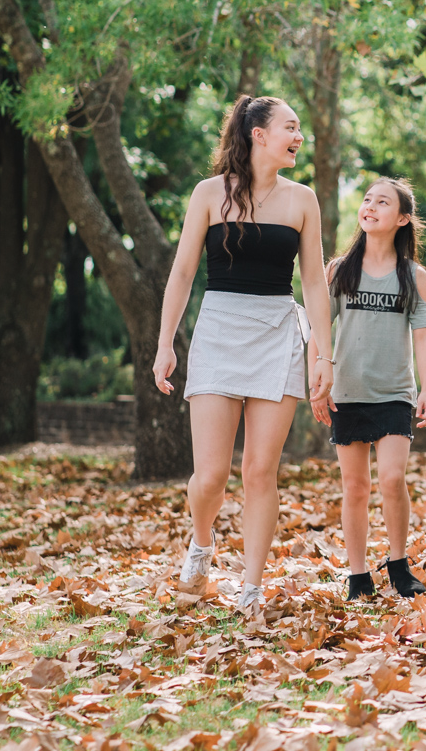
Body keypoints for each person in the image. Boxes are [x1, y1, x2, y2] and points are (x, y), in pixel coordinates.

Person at [153, 95, 333, 614]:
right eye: (290, 128)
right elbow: (183, 272)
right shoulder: (209, 194)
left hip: (278, 332)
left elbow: (316, 284)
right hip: (218, 332)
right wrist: (166, 343)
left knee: (259, 471)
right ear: (258, 133)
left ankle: (251, 588)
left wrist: (325, 356)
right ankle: (202, 541)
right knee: (210, 477)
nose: (299, 138)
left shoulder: (302, 201)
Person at [313, 178, 426, 600]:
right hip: (347, 392)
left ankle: (399, 564)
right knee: (355, 487)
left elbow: (423, 336)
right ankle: (358, 575)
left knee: (391, 477)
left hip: (395, 393)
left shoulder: (413, 276)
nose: (370, 206)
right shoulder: (338, 270)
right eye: (367, 199)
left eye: (382, 202)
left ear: (402, 218)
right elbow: (319, 330)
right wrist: (318, 376)